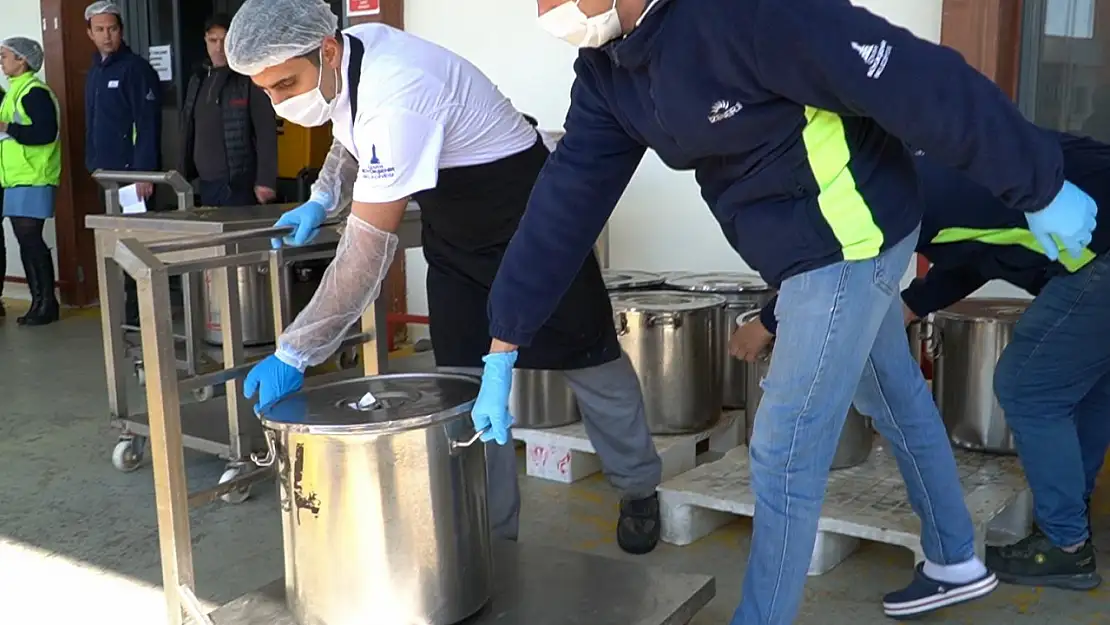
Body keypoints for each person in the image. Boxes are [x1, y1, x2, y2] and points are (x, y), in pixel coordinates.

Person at [477, 0, 1099, 622]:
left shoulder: (748, 15)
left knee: (782, 450)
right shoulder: (609, 71)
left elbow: (913, 76)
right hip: (806, 251)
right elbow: (566, 198)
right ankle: (954, 559)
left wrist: (1034, 184)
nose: (549, 10)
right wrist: (505, 341)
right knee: (892, 394)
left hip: (850, 244)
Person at [224, 0, 664, 554]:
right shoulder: (356, 53)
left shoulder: (400, 89)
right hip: (457, 238)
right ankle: (494, 533)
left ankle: (639, 487)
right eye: (267, 90)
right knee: (464, 389)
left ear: (327, 50)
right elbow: (347, 127)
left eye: (285, 84)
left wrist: (297, 349)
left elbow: (366, 253)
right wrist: (324, 195)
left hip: (527, 218)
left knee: (592, 359)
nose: (279, 101)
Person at [734, 131, 1109, 592]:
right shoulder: (932, 167)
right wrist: (914, 304)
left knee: (1026, 386)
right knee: (1088, 388)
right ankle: (1070, 517)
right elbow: (978, 254)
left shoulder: (912, 186)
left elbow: (837, 263)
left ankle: (1065, 546)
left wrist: (767, 322)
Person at [84, 0, 163, 326]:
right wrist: (93, 164)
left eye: (112, 29)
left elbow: (148, 124)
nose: (107, 36)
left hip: (133, 176)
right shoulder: (95, 72)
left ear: (121, 31)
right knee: (116, 240)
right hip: (107, 175)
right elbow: (92, 122)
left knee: (137, 244)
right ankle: (125, 309)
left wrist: (145, 173)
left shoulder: (135, 69)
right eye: (100, 29)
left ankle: (140, 311)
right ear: (90, 33)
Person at [181, 13, 278, 207]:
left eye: (224, 41)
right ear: (205, 41)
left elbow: (266, 130)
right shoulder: (198, 79)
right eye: (213, 40)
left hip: (238, 185)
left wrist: (266, 180)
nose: (218, 48)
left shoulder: (248, 78)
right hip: (204, 184)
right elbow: (186, 128)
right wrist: (182, 172)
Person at [0, 37, 61, 326]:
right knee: (26, 242)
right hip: (17, 178)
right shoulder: (14, 91)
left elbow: (45, 133)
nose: (2, 62)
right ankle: (38, 301)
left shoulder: (34, 92)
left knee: (31, 242)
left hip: (34, 176)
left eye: (5, 56)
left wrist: (7, 127)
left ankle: (47, 303)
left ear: (22, 60)